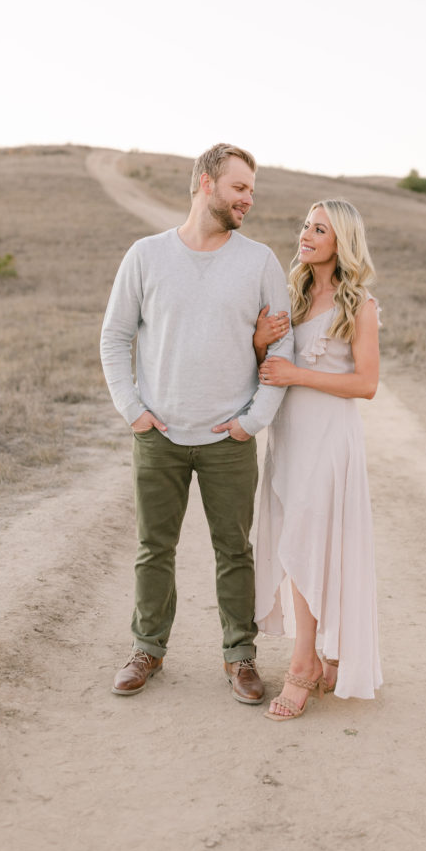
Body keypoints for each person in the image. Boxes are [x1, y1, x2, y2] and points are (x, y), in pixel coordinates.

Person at [100, 143, 293, 703]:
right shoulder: (146, 255)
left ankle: (241, 658)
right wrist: (132, 410)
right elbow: (115, 337)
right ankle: (147, 650)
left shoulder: (258, 262)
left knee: (234, 551)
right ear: (206, 184)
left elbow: (281, 349)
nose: (248, 200)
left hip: (227, 439)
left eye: (252, 191)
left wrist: (251, 422)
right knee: (152, 548)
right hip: (158, 435)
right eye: (239, 188)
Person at [254, 198, 382, 721]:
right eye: (305, 224)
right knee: (297, 543)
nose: (306, 234)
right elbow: (268, 367)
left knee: (307, 543)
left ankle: (304, 664)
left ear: (341, 242)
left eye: (320, 229)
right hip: (289, 439)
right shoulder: (291, 295)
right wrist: (261, 344)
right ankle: (327, 651)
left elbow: (366, 384)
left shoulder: (361, 305)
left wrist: (297, 375)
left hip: (330, 442)